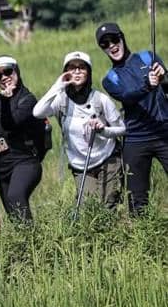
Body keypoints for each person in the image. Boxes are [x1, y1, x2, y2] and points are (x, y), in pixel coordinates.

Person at [33, 51, 125, 209]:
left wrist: (103, 130)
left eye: (82, 67)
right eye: (72, 68)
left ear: (88, 72)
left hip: (108, 158)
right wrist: (58, 86)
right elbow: (37, 112)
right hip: (81, 165)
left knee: (108, 205)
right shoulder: (61, 101)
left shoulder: (100, 99)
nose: (76, 71)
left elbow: (122, 129)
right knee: (86, 209)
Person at [95, 21, 168, 214]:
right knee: (137, 200)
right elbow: (128, 96)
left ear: (122, 37)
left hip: (164, 132)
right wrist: (148, 85)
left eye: (114, 39)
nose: (111, 45)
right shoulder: (110, 79)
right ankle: (143, 239)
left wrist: (163, 78)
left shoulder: (148, 57)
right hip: (136, 140)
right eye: (105, 44)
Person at [0, 56, 47, 223]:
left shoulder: (28, 99)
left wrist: (5, 101)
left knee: (16, 197)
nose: (4, 77)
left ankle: (33, 243)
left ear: (16, 70)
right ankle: (23, 246)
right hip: (0, 165)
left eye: (7, 71)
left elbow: (12, 124)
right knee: (13, 214)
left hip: (25, 161)